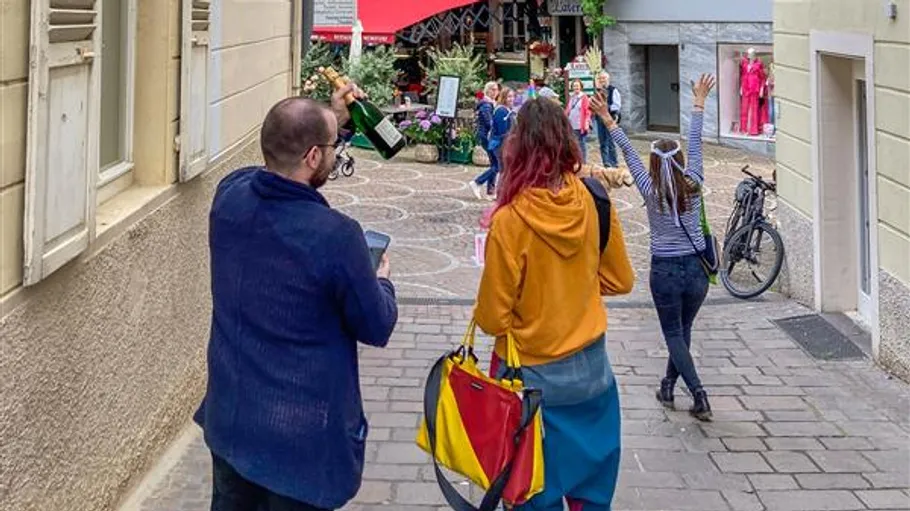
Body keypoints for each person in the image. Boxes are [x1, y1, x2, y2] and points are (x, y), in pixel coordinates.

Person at [194, 83, 399, 511]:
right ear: (312, 157)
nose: (334, 153)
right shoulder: (337, 236)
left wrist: (330, 120)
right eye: (330, 148)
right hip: (300, 442)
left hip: (232, 420)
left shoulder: (229, 196)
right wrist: (382, 280)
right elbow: (376, 325)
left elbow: (271, 167)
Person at [475, 97, 635, 511]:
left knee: (531, 492)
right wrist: (576, 286)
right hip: (592, 376)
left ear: (517, 148)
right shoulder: (594, 199)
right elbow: (620, 280)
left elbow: (493, 318)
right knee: (591, 495)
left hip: (529, 386)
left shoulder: (509, 223)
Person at [591, 74, 717, 421]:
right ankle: (666, 386)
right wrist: (699, 102)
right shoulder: (694, 183)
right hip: (696, 271)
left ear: (655, 164)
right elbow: (695, 144)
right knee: (683, 331)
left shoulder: (649, 188)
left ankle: (699, 395)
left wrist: (606, 118)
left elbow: (628, 151)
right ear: (679, 162)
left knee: (674, 333)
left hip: (664, 271)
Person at [470, 86, 516, 200]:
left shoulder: (506, 110)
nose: (511, 99)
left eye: (513, 96)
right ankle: (478, 183)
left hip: (499, 143)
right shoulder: (502, 111)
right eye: (509, 96)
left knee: (497, 167)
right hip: (499, 144)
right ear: (504, 97)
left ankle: (490, 191)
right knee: (500, 168)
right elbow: (502, 131)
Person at [593, 71, 621, 167]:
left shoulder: (613, 90)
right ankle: (606, 162)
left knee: (610, 141)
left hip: (610, 119)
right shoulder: (597, 91)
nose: (602, 80)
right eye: (600, 78)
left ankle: (614, 163)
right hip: (599, 119)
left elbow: (616, 105)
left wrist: (605, 107)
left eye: (603, 78)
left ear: (608, 79)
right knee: (602, 142)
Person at [566, 79, 592, 163]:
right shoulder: (572, 97)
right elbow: (568, 109)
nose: (576, 87)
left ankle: (583, 161)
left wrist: (586, 123)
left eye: (577, 86)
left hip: (579, 125)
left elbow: (587, 111)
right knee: (573, 143)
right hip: (571, 124)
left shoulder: (584, 97)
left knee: (581, 144)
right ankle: (576, 160)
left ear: (581, 87)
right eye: (574, 86)